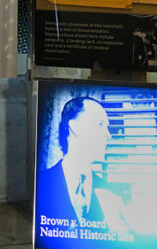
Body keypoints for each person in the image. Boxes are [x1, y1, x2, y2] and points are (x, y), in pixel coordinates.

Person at [37, 97, 126, 226]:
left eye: (107, 127)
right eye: (101, 124)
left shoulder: (112, 193)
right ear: (75, 127)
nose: (109, 135)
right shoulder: (41, 184)